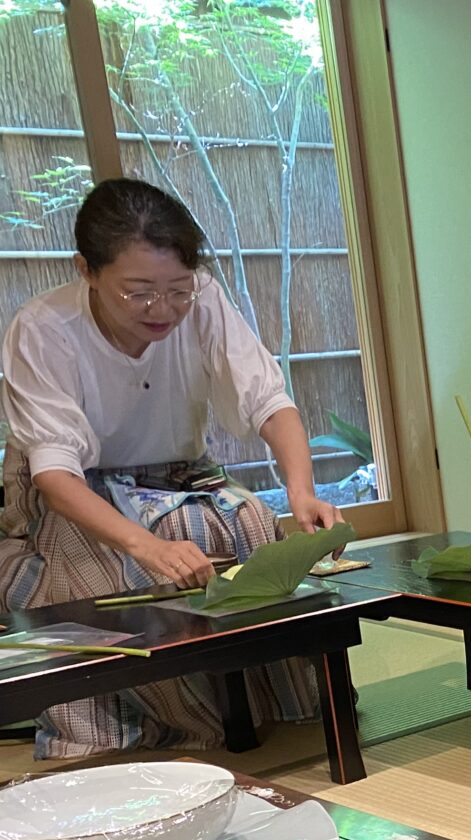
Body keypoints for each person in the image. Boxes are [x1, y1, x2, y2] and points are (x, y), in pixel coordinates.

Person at [0, 178, 339, 758]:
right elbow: (54, 477)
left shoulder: (204, 299)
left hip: (181, 474)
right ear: (86, 270)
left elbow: (268, 400)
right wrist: (145, 546)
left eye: (178, 290)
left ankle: (269, 704)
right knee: (154, 550)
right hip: (80, 488)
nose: (164, 310)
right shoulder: (43, 329)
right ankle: (178, 719)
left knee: (252, 523)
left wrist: (301, 491)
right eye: (138, 293)